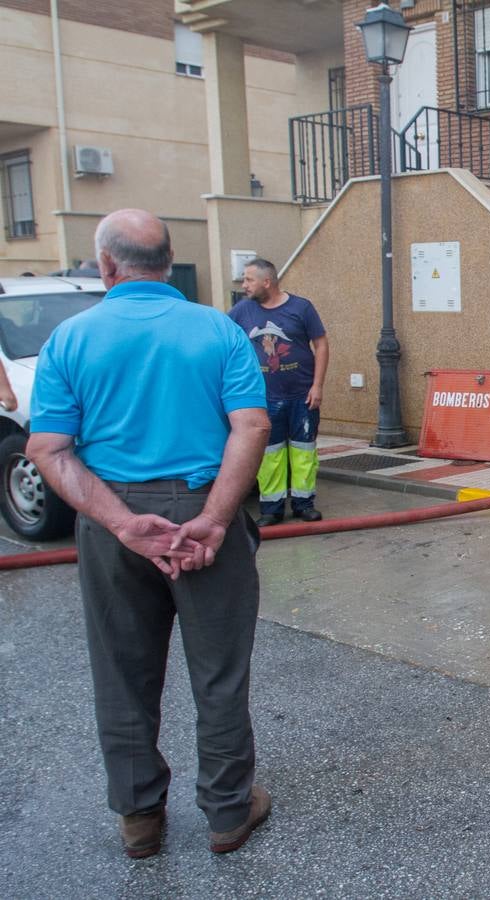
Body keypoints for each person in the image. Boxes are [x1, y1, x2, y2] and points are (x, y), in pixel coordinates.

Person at [27, 209, 273, 856]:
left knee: (122, 670)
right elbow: (251, 427)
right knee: (219, 672)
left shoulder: (69, 339)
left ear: (107, 265)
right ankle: (227, 812)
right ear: (168, 262)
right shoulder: (219, 330)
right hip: (203, 507)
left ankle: (140, 817)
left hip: (112, 519)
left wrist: (122, 523)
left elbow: (49, 449)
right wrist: (216, 520)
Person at [228, 258, 329, 526]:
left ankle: (303, 504)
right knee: (269, 453)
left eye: (249, 279)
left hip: (302, 395)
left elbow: (320, 344)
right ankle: (271, 509)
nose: (244, 285)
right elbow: (225, 342)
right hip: (263, 399)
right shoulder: (242, 311)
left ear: (267, 281)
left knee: (303, 451)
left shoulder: (301, 308)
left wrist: (317, 385)